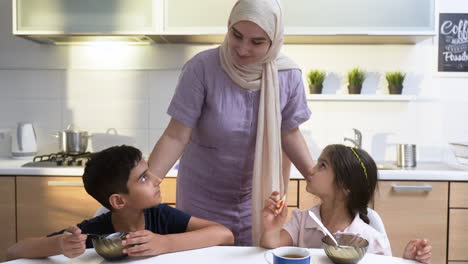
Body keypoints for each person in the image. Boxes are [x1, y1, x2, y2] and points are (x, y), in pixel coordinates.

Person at [147, 0, 313, 246]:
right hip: (201, 198)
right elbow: (176, 135)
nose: (243, 48)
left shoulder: (287, 75)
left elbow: (289, 134)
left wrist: (314, 176)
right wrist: (148, 182)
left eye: (257, 42)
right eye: (237, 35)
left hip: (259, 199)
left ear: (274, 40)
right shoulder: (201, 68)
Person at [6, 145, 234, 261]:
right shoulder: (97, 233)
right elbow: (14, 251)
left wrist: (165, 243)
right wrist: (60, 246)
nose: (156, 180)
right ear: (118, 200)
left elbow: (224, 235)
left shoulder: (161, 216)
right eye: (144, 177)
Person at [260, 144, 432, 263]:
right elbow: (270, 248)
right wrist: (271, 229)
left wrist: (407, 261)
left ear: (346, 186)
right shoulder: (302, 221)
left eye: (322, 165)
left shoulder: (371, 241)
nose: (311, 170)